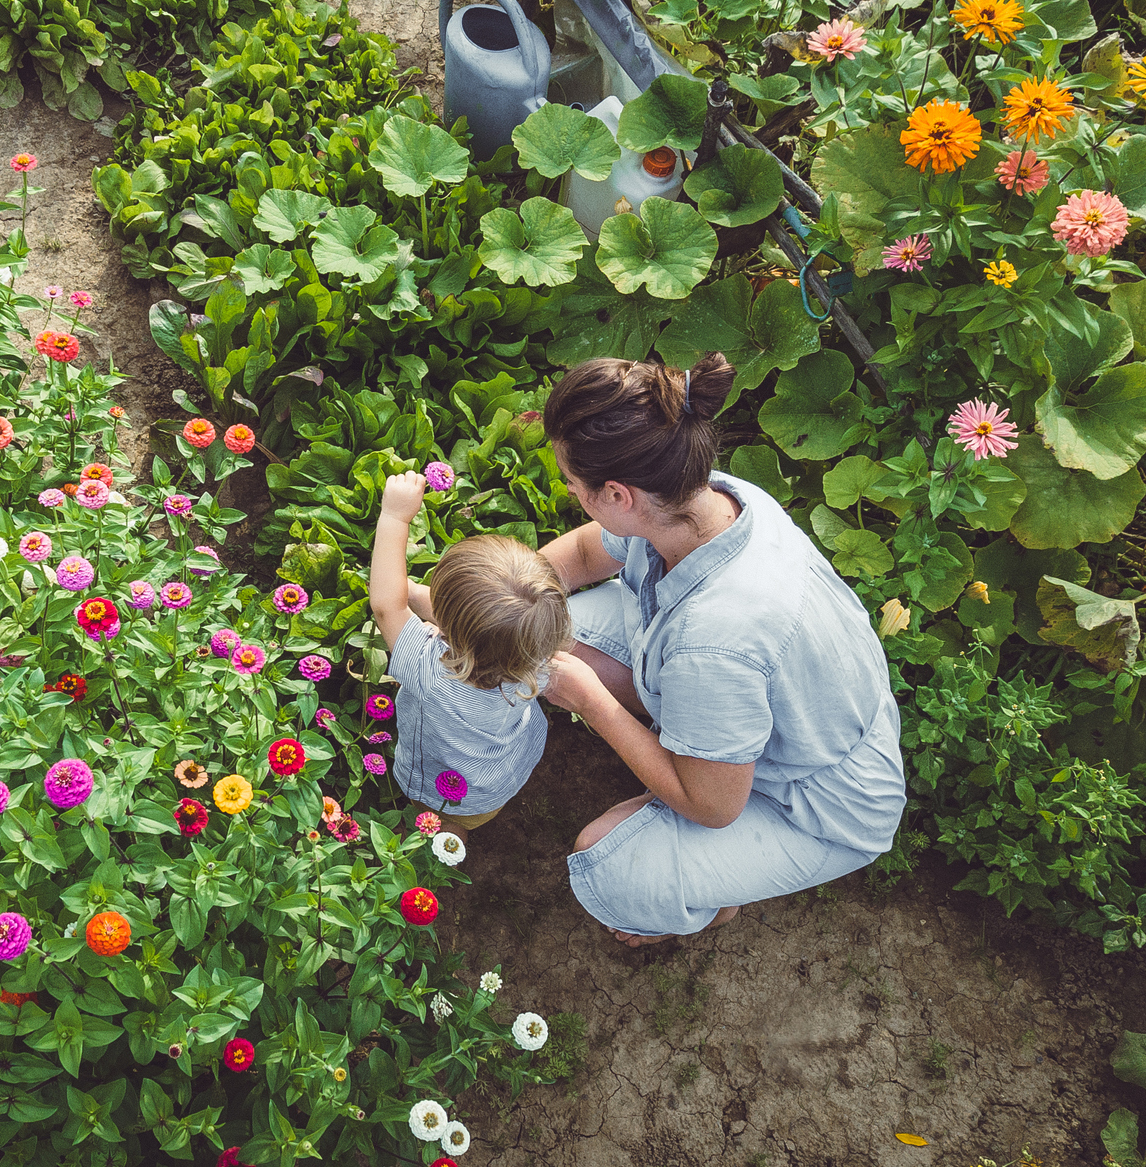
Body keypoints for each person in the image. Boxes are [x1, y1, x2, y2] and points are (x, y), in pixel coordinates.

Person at [535, 352, 905, 946]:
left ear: (617, 495)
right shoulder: (706, 500)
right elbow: (581, 556)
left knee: (609, 872)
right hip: (791, 711)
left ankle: (711, 899)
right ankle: (699, 755)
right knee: (550, 626)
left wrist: (589, 701)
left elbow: (711, 807)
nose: (571, 492)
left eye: (574, 485)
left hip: (822, 804)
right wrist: (503, 595)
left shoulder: (715, 641)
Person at [370, 471, 574, 831]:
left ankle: (441, 848)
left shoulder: (430, 671)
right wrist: (421, 598)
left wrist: (394, 516)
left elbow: (387, 605)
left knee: (440, 821)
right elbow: (485, 632)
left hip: (444, 787)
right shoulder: (537, 656)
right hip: (501, 775)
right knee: (468, 818)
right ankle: (460, 835)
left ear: (448, 629)